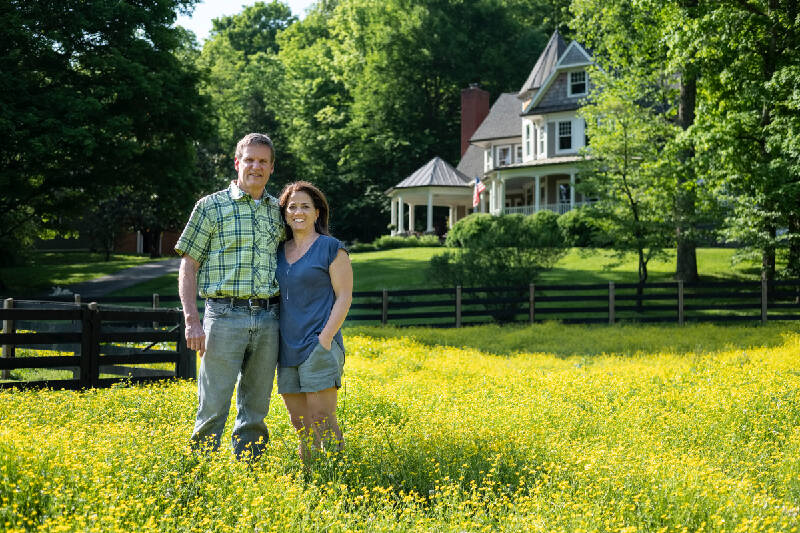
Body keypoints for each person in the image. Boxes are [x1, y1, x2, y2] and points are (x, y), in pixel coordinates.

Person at [175, 132, 284, 460]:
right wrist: (192, 319)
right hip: (223, 317)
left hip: (268, 320)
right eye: (249, 159)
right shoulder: (210, 207)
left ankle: (251, 479)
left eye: (263, 161)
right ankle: (197, 479)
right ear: (237, 163)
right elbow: (188, 266)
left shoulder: (279, 212)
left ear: (271, 168)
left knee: (256, 412)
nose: (256, 166)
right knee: (213, 407)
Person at [276, 181, 353, 461]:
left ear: (317, 213)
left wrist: (325, 339)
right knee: (300, 425)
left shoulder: (331, 248)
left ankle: (338, 475)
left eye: (305, 206)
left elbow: (344, 297)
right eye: (292, 206)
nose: (298, 211)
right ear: (285, 213)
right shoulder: (278, 252)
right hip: (285, 349)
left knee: (322, 417)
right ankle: (311, 480)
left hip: (318, 346)